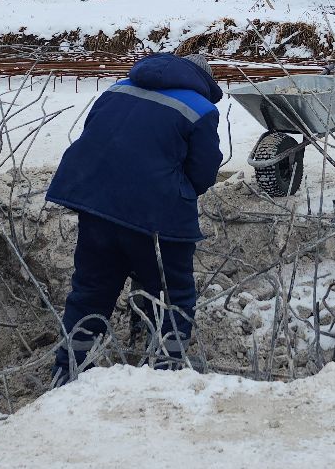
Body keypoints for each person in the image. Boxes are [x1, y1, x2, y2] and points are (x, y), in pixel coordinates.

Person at [45, 52, 224, 383]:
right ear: (204, 83)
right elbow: (203, 173)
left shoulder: (117, 89)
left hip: (95, 205)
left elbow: (100, 140)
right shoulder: (200, 109)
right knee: (174, 297)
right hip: (156, 219)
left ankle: (67, 369)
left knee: (91, 290)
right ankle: (167, 378)